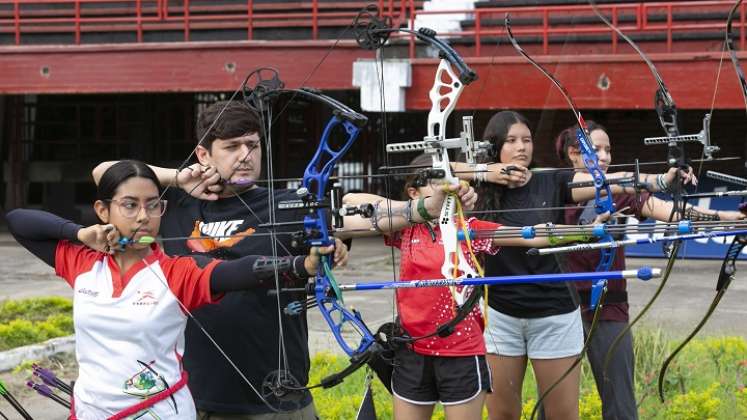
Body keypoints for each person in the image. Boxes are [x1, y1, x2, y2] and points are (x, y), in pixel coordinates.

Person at [6, 160, 347, 419]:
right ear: (102, 210)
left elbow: (238, 272)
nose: (144, 216)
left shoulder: (175, 272)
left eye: (153, 205)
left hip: (160, 411)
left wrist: (300, 266)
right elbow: (19, 221)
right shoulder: (82, 262)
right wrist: (79, 233)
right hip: (92, 411)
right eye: (130, 205)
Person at [92, 101, 339, 418]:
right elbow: (105, 173)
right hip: (193, 395)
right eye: (232, 147)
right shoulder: (175, 203)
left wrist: (334, 246)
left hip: (277, 395)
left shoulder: (290, 205)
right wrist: (180, 178)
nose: (245, 156)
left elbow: (345, 228)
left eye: (252, 145)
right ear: (204, 155)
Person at [451, 110, 695, 420]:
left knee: (562, 415)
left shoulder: (551, 180)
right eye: (511, 141)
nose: (521, 147)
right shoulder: (477, 191)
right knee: (502, 414)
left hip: (554, 315)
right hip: (501, 316)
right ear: (493, 146)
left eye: (526, 139)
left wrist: (658, 179)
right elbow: (430, 173)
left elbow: (607, 182)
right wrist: (483, 172)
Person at [342, 154, 609, 420]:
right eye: (436, 182)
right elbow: (350, 204)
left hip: (461, 354)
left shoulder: (468, 230)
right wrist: (419, 209)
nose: (446, 189)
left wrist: (587, 232)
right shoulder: (405, 229)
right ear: (414, 192)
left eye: (450, 182)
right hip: (413, 351)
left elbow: (532, 235)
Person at [555, 121, 745, 420]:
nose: (604, 156)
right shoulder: (555, 189)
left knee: (621, 405)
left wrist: (728, 217)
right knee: (555, 406)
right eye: (595, 150)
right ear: (573, 154)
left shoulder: (621, 193)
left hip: (608, 309)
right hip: (559, 310)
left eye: (608, 150)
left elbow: (674, 214)